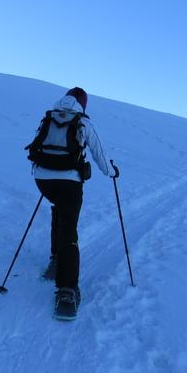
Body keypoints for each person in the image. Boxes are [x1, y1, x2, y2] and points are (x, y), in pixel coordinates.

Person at [30, 87, 119, 319]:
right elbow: (100, 152)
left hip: (42, 179)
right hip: (69, 180)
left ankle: (55, 259)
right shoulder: (83, 122)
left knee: (58, 211)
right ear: (83, 104)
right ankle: (67, 290)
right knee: (69, 227)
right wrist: (111, 172)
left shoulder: (49, 116)